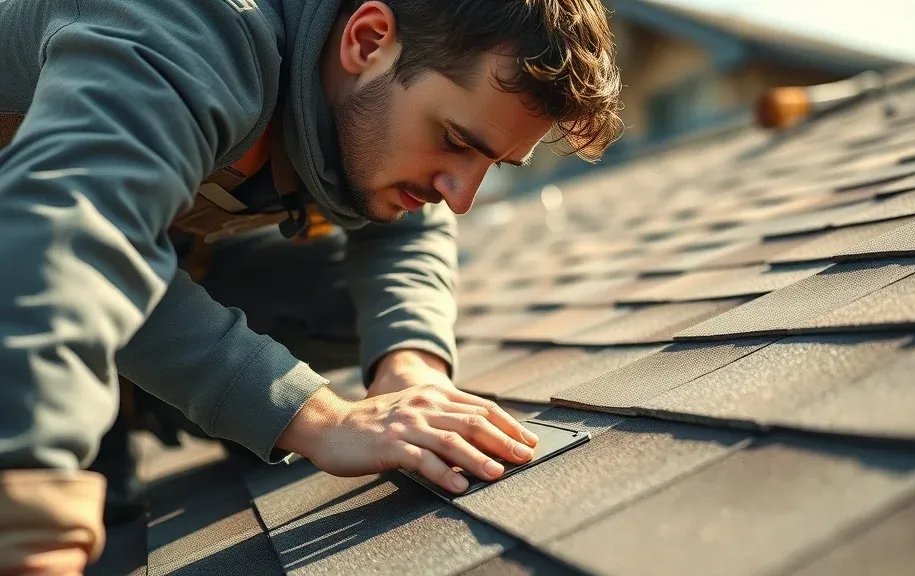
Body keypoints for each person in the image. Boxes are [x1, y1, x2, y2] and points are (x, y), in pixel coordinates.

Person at [0, 0, 623, 572]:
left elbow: (408, 227)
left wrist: (411, 367)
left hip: (95, 263)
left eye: (490, 163)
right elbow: (68, 236)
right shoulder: (193, 28)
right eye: (455, 141)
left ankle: (129, 387)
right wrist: (318, 417)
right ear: (367, 40)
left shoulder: (362, 77)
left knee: (347, 305)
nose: (461, 198)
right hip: (28, 270)